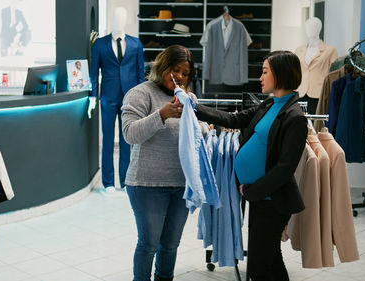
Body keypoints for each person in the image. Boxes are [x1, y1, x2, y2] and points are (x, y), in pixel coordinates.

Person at [194, 50, 307, 281]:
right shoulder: (269, 104)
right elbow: (234, 119)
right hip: (259, 199)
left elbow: (285, 168)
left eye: (265, 72)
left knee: (258, 268)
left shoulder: (295, 117)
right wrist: (195, 108)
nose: (260, 77)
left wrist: (253, 191)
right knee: (272, 260)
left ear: (281, 74)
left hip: (272, 201)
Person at [121, 45, 206, 281]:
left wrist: (201, 127)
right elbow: (129, 134)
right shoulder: (140, 93)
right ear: (162, 66)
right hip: (147, 184)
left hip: (181, 184)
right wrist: (162, 115)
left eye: (185, 73)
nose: (179, 76)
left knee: (170, 245)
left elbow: (200, 132)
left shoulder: (188, 98)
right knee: (148, 244)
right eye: (175, 69)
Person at [90, 7, 144, 193]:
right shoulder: (100, 44)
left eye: (121, 17)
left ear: (126, 19)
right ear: (111, 19)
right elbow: (93, 74)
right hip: (107, 97)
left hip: (130, 99)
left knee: (127, 140)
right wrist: (92, 96)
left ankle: (125, 180)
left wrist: (141, 99)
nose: (118, 20)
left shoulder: (136, 44)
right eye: (115, 17)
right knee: (107, 140)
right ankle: (108, 183)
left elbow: (140, 75)